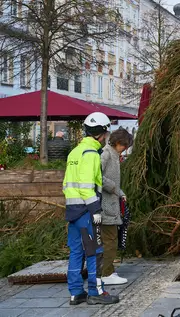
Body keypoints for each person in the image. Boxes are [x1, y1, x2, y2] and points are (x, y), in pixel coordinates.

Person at [63, 112, 119, 306]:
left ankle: (76, 293)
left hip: (72, 210)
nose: (106, 138)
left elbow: (67, 184)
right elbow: (86, 186)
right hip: (87, 212)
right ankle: (95, 292)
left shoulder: (74, 152)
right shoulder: (91, 154)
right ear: (100, 134)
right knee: (95, 252)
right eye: (106, 134)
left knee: (76, 252)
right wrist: (96, 209)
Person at [100, 127, 134, 286]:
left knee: (110, 239)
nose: (125, 150)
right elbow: (96, 176)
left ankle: (108, 271)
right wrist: (114, 189)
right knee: (110, 240)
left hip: (111, 204)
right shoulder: (106, 155)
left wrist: (121, 193)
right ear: (119, 143)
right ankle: (106, 274)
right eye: (124, 146)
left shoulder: (113, 155)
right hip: (105, 206)